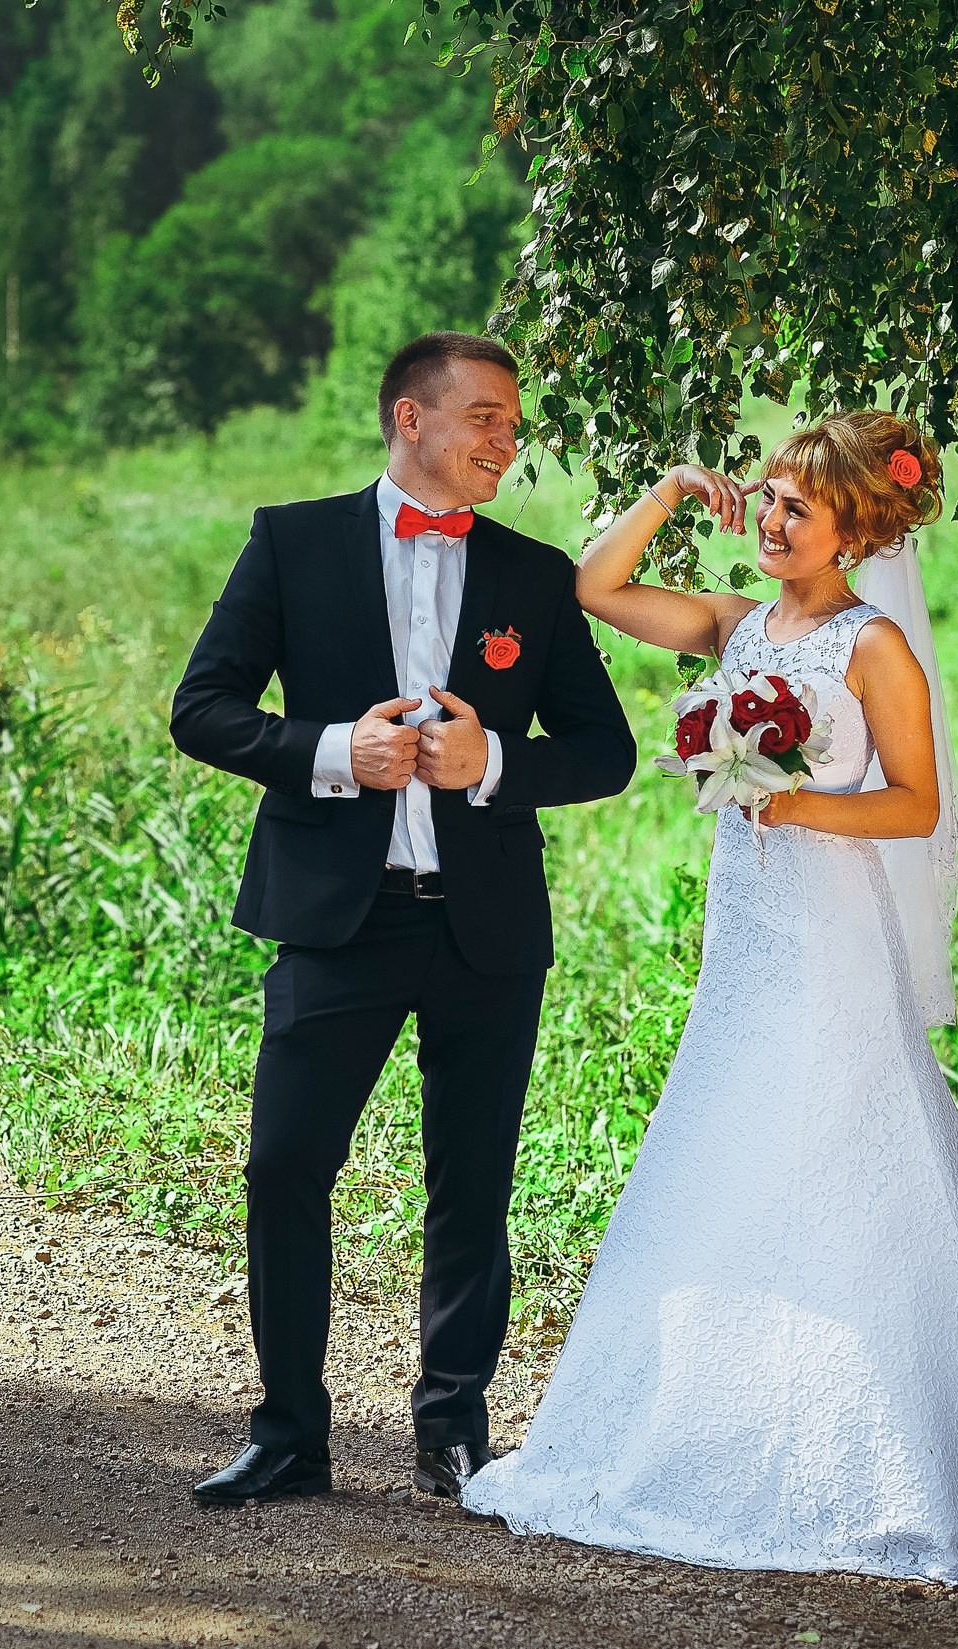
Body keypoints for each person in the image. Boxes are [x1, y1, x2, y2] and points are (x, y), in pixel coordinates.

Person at [460, 412, 958, 1578]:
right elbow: (593, 587)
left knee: (842, 1148)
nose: (774, 522)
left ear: (852, 529)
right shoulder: (735, 625)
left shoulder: (869, 645)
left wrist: (795, 804)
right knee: (733, 1139)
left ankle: (889, 1456)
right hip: (744, 924)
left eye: (798, 508)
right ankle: (722, 1427)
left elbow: (916, 804)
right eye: (770, 501)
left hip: (830, 925)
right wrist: (674, 491)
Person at [169, 332, 635, 1507]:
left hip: (484, 927)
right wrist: (336, 751)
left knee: (472, 1180)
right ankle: (287, 1435)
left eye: (512, 424)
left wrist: (492, 763)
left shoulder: (535, 577)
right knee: (284, 1165)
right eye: (483, 417)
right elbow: (203, 708)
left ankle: (453, 1431)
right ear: (407, 420)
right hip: (337, 918)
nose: (505, 441)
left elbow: (606, 750)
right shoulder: (294, 540)